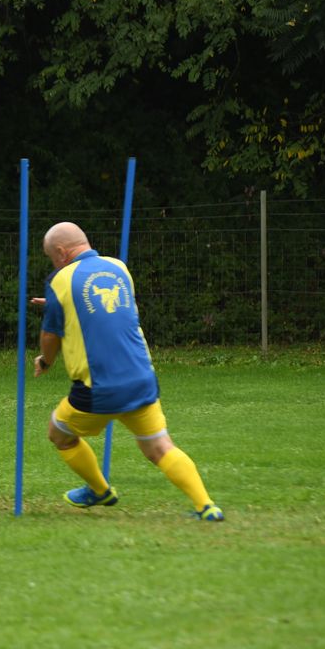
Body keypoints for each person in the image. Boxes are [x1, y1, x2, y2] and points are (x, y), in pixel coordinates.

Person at [31, 221, 224, 520]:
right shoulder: (118, 267)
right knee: (160, 447)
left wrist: (46, 360)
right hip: (140, 379)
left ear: (60, 251)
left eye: (51, 257)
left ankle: (99, 490)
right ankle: (206, 506)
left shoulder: (60, 280)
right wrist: (60, 304)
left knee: (59, 433)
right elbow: (114, 310)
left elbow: (50, 335)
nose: (53, 264)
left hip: (98, 388)